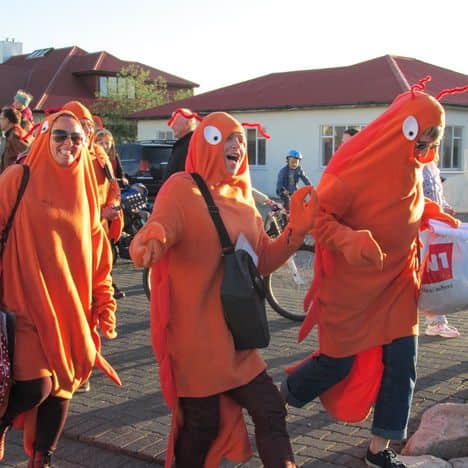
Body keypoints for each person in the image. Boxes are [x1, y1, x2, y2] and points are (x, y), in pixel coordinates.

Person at [280, 87, 459, 468]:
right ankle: (279, 397)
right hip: (353, 291)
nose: (424, 148)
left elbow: (404, 203)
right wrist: (350, 240)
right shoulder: (353, 170)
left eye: (432, 141)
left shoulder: (412, 165)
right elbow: (319, 218)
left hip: (399, 285)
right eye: (419, 138)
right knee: (337, 364)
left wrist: (429, 212)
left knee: (403, 365)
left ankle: (379, 450)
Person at [130, 112, 318, 468]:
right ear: (205, 143)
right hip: (196, 340)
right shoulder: (182, 188)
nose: (236, 146)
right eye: (225, 138)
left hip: (236, 338)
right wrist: (151, 240)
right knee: (201, 427)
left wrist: (297, 230)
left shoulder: (244, 201)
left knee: (270, 408)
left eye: (241, 141)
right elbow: (162, 226)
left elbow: (262, 260)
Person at [0, 110, 120, 466]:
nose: (69, 143)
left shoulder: (86, 191)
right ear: (45, 137)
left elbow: (99, 256)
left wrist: (105, 302)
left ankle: (43, 460)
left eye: (76, 138)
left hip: (71, 312)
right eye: (60, 135)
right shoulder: (18, 178)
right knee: (36, 386)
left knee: (63, 387)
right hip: (22, 306)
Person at [62, 102, 124, 302]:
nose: (87, 129)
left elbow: (113, 186)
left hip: (101, 229)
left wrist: (112, 206)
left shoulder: (99, 154)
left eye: (89, 125)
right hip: (76, 234)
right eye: (82, 124)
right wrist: (98, 213)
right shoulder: (63, 159)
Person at [421, 159, 460, 338]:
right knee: (420, 274)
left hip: (433, 227)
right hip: (418, 226)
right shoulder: (412, 163)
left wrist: (445, 207)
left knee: (433, 275)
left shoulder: (431, 165)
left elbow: (437, 192)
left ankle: (436, 322)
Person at [164, 107, 198, 181]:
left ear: (187, 124)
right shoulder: (182, 144)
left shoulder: (191, 146)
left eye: (175, 123)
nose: (172, 127)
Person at [0, 106, 30, 173]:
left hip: (13, 175)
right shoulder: (14, 132)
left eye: (1, 118)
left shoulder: (14, 135)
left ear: (7, 120)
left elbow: (28, 154)